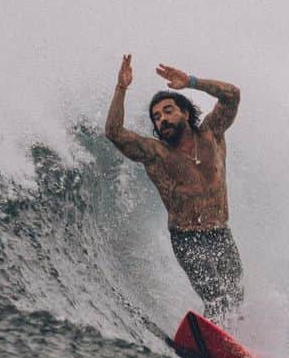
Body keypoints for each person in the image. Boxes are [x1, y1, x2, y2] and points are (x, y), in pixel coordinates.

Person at [105, 55, 244, 323]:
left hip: (220, 233)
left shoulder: (211, 134)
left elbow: (232, 95)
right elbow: (114, 133)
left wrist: (192, 81)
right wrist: (121, 89)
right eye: (156, 117)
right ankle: (212, 343)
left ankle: (240, 346)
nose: (162, 120)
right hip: (187, 238)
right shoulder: (157, 154)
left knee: (235, 298)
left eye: (168, 111)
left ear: (186, 113)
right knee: (215, 296)